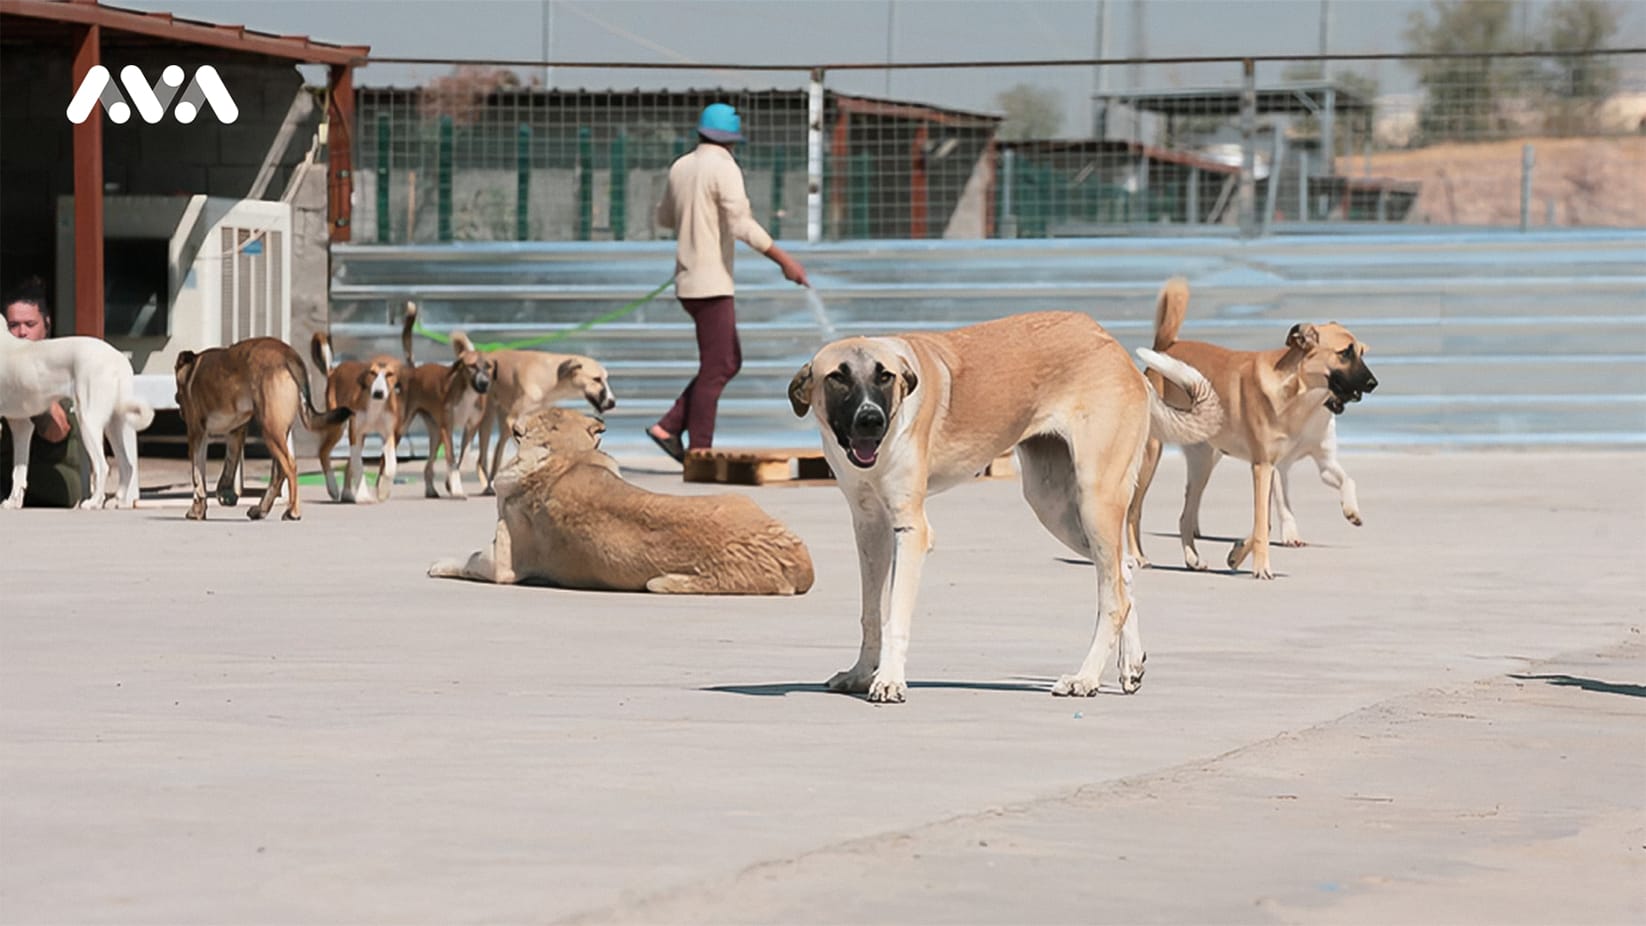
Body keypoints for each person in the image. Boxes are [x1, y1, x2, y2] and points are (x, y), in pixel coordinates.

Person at [647, 102, 809, 462]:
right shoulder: (724, 167)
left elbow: (664, 218)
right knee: (718, 365)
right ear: (732, 140)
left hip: (688, 281)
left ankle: (670, 425)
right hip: (712, 282)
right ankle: (699, 449)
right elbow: (741, 225)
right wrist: (785, 261)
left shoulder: (681, 166)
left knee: (727, 360)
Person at [0, 279, 86, 507]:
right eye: (13, 325)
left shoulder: (62, 363)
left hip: (54, 480)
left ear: (46, 325)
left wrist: (31, 393)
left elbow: (58, 431)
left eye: (29, 324)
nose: (21, 332)